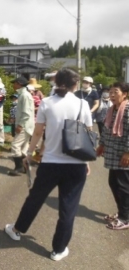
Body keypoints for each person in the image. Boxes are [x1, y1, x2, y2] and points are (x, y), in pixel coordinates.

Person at [5, 68, 92, 261]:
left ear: (56, 82)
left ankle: (17, 230)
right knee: (68, 207)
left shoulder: (46, 103)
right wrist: (85, 161)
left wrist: (29, 153)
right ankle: (58, 250)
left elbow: (37, 133)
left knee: (35, 198)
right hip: (75, 164)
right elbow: (87, 132)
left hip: (50, 163)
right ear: (75, 85)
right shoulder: (83, 104)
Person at [96, 82, 129, 230]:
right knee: (114, 183)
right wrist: (101, 144)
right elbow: (106, 129)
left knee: (123, 186)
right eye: (111, 92)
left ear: (125, 94)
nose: (112, 95)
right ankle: (122, 212)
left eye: (116, 92)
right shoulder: (112, 110)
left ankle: (125, 218)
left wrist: (128, 152)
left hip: (123, 154)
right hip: (113, 153)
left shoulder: (127, 109)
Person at [8, 76, 34, 176]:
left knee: (15, 146)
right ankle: (24, 167)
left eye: (14, 83)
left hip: (24, 125)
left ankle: (18, 167)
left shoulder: (24, 95)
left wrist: (20, 125)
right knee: (23, 147)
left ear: (19, 83)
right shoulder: (23, 95)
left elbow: (26, 113)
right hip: (26, 125)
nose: (13, 85)